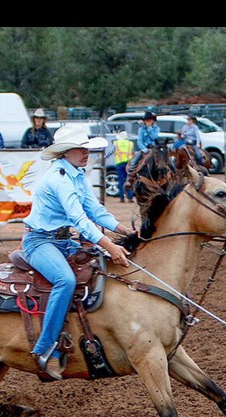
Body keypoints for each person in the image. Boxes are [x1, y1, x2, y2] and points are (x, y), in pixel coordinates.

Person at [20, 127, 135, 379]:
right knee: (66, 280)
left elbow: (95, 209)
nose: (86, 153)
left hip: (61, 241)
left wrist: (122, 228)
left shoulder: (76, 175)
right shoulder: (59, 179)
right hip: (38, 242)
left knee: (97, 266)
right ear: (65, 152)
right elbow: (80, 219)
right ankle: (45, 350)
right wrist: (110, 245)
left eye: (87, 148)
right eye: (81, 149)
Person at [124, 111, 161, 188]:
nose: (148, 122)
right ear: (144, 121)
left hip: (154, 148)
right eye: (146, 120)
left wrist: (149, 129)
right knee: (134, 162)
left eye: (150, 120)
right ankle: (130, 179)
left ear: (153, 120)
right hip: (145, 149)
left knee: (166, 161)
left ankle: (171, 175)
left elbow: (154, 137)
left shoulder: (156, 128)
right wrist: (144, 149)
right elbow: (139, 141)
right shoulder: (141, 129)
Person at [112, 129, 136, 203]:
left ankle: (122, 198)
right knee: (129, 180)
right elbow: (133, 153)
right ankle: (130, 197)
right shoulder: (130, 143)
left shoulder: (116, 143)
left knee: (121, 181)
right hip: (128, 164)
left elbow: (111, 151)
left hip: (119, 163)